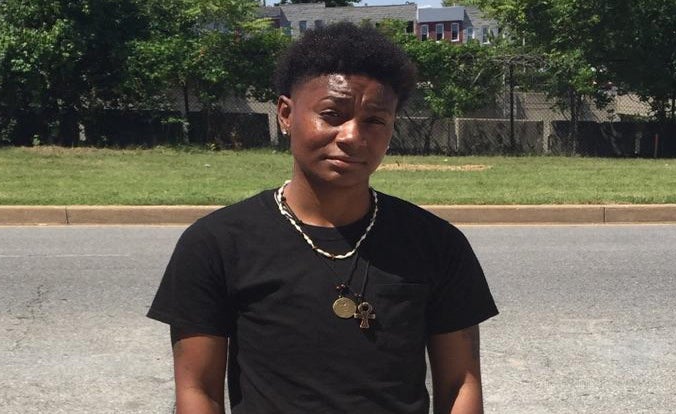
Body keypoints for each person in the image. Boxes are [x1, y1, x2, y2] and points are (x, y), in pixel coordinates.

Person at [147, 22, 498, 414]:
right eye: (332, 114)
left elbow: (460, 383)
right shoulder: (217, 243)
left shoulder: (437, 244)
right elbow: (197, 390)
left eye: (374, 121)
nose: (352, 136)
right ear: (285, 114)